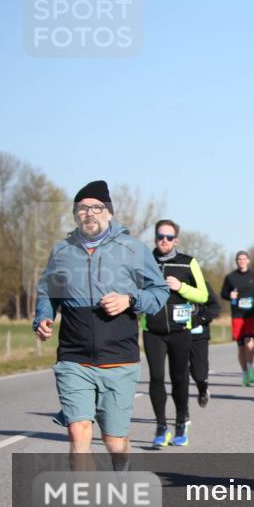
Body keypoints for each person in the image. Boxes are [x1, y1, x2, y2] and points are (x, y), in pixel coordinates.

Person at [33, 180, 169, 470]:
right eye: (82, 208)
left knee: (113, 440)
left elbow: (159, 292)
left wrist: (130, 300)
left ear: (109, 212)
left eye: (97, 207)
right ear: (75, 214)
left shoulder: (133, 249)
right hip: (74, 357)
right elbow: (48, 292)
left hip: (118, 359)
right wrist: (44, 316)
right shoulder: (62, 252)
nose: (90, 213)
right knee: (78, 431)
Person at [142, 219, 209, 447]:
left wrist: (181, 287)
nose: (164, 240)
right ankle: (161, 426)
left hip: (181, 330)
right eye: (161, 236)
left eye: (169, 237)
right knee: (156, 378)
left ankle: (181, 421)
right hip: (152, 330)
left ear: (176, 240)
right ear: (155, 238)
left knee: (179, 378)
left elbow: (203, 296)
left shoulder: (188, 263)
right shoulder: (144, 262)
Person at [221, 251, 254, 386]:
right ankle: (245, 374)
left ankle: (250, 368)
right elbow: (223, 293)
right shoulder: (230, 277)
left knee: (250, 343)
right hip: (237, 315)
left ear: (248, 260)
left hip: (251, 314)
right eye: (239, 259)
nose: (241, 261)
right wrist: (229, 295)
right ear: (236, 261)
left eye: (244, 259)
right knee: (241, 347)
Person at [189, 280, 221, 408]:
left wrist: (201, 319)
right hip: (177, 334)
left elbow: (215, 307)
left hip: (199, 335)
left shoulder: (202, 284)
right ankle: (182, 412)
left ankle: (202, 389)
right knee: (180, 371)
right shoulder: (169, 283)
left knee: (199, 372)